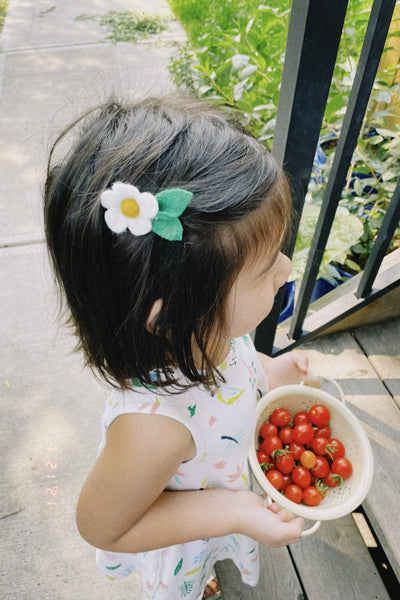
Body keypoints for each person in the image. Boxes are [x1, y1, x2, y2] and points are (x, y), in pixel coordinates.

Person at [44, 94, 318, 600]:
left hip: (219, 494)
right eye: (266, 272)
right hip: (186, 528)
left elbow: (233, 363)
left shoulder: (206, 333)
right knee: (188, 579)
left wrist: (269, 374)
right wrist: (235, 512)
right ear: (172, 317)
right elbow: (103, 527)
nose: (287, 270)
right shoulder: (152, 429)